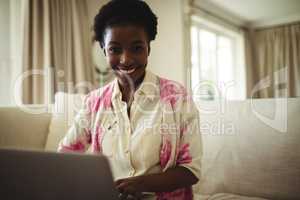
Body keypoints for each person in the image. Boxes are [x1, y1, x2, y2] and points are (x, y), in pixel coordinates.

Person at [58, 0, 202, 199]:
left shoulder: (177, 98)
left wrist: (139, 184)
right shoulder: (94, 102)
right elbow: (65, 155)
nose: (125, 59)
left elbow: (190, 170)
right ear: (104, 51)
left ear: (148, 49)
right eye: (115, 49)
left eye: (136, 48)